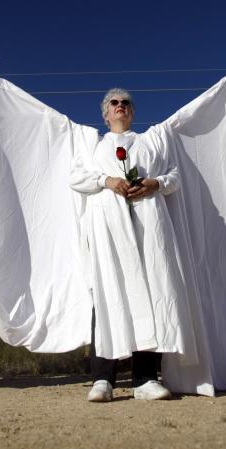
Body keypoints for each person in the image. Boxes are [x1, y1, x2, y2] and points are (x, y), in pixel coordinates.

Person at [70, 89, 178, 402]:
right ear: (105, 114)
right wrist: (108, 181)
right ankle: (103, 379)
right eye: (114, 103)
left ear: (132, 112)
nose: (121, 106)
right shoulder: (95, 146)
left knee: (149, 294)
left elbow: (174, 175)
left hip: (147, 224)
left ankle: (145, 379)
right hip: (108, 228)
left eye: (126, 103)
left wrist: (153, 183)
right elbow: (76, 177)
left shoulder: (149, 143)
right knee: (108, 294)